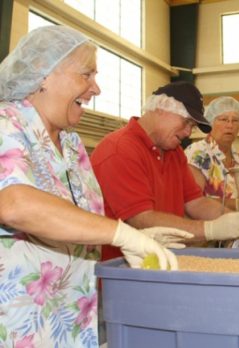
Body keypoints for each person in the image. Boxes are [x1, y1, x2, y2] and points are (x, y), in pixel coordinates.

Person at [0, 25, 181, 347]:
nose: (95, 88)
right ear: (43, 73)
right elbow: (14, 203)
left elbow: (75, 217)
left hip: (69, 319)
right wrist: (121, 234)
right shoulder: (6, 124)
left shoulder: (71, 144)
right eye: (86, 74)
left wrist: (133, 236)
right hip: (17, 323)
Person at [91, 83, 239, 260]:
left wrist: (237, 220)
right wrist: (210, 230)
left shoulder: (174, 152)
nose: (188, 132)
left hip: (162, 264)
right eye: (186, 122)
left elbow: (196, 202)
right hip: (125, 270)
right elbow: (142, 220)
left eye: (192, 126)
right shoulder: (120, 150)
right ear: (161, 108)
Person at [185, 96, 239, 211]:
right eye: (224, 119)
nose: (230, 125)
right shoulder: (197, 154)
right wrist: (236, 204)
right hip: (207, 225)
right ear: (211, 122)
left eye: (235, 120)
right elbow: (192, 201)